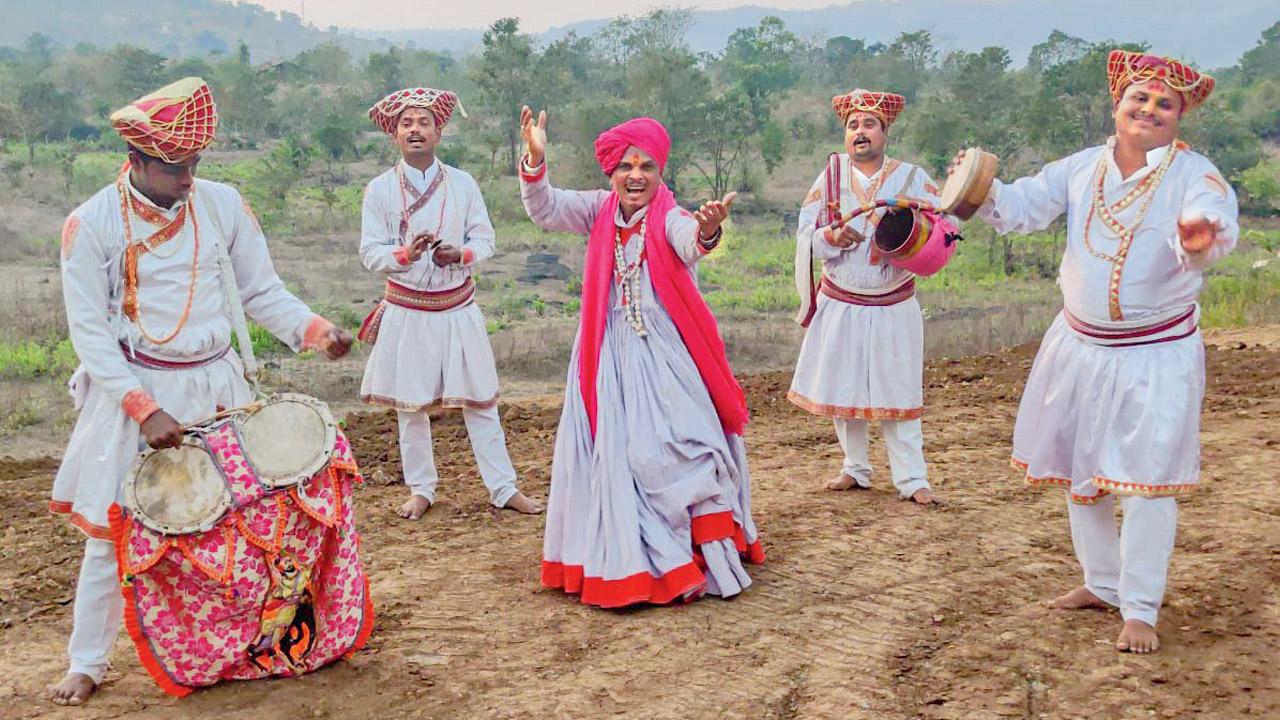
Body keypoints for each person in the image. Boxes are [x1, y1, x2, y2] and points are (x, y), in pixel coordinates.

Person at [48, 77, 353, 705]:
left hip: (220, 387)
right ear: (135, 162)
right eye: (175, 168)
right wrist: (144, 408)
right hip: (135, 392)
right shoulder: (91, 223)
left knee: (239, 528)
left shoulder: (222, 204)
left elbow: (261, 290)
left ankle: (238, 647)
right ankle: (87, 661)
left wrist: (316, 330)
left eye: (194, 165)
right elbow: (91, 336)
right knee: (117, 536)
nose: (189, 179)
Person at [954, 50, 1236, 653]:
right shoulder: (1083, 167)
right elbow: (1024, 205)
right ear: (1118, 104)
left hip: (1156, 353)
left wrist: (1201, 236)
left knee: (1147, 481)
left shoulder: (1196, 176)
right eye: (1140, 98)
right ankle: (1101, 583)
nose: (1150, 110)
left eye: (1165, 103)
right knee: (1082, 471)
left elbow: (1211, 224)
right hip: (1078, 345)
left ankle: (1139, 607)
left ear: (1180, 115)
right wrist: (974, 185)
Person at [518, 106, 763, 607]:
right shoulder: (596, 210)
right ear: (610, 173)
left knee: (683, 446)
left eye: (646, 167)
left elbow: (689, 242)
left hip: (667, 354)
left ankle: (699, 554)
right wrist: (535, 160)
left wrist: (709, 231)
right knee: (620, 455)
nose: (635, 176)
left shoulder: (670, 215)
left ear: (660, 173)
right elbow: (543, 208)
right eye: (626, 167)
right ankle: (633, 562)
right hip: (606, 353)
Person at [360, 87, 541, 519]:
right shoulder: (380, 189)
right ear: (395, 136)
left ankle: (503, 487)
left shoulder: (463, 184)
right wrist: (406, 254)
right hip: (408, 310)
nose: (415, 130)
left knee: (481, 401)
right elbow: (370, 252)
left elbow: (487, 240)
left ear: (439, 132)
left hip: (458, 307)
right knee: (411, 406)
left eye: (424, 122)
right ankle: (422, 489)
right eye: (407, 123)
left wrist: (458, 254)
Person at [788, 89, 944, 505]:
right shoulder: (830, 178)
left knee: (899, 391)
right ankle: (855, 469)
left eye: (869, 124)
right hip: (840, 299)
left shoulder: (913, 178)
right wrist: (831, 236)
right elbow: (805, 236)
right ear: (845, 135)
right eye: (853, 126)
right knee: (843, 387)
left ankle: (912, 480)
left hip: (894, 302)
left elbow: (943, 228)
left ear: (884, 132)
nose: (861, 132)